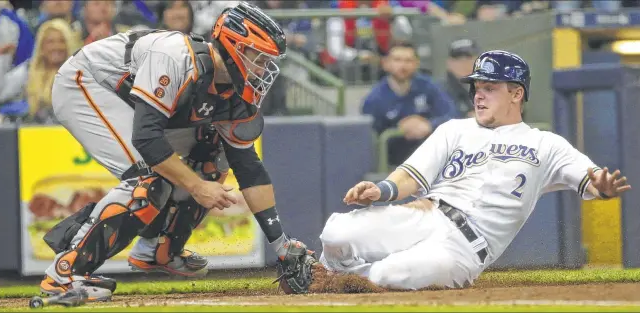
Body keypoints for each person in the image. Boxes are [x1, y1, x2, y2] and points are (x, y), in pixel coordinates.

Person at [39, 2, 315, 300]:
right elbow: (147, 139)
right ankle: (64, 275)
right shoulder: (175, 57)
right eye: (259, 57)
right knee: (146, 178)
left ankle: (160, 249)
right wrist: (196, 186)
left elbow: (248, 167)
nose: (263, 68)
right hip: (87, 81)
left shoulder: (235, 91)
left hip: (136, 105)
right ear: (235, 46)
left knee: (214, 155)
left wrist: (281, 245)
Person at [309, 50, 632, 291]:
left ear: (516, 93)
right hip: (426, 214)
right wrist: (381, 190)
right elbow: (411, 175)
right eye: (477, 87)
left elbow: (591, 180)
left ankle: (337, 283)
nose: (478, 94)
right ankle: (323, 272)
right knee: (337, 233)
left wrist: (602, 187)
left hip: (465, 247)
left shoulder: (546, 144)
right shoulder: (456, 130)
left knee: (392, 274)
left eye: (490, 87)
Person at [362, 42, 459, 167]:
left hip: (433, 160)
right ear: (385, 64)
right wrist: (399, 129)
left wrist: (428, 125)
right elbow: (370, 139)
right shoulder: (374, 99)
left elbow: (452, 114)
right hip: (393, 165)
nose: (403, 66)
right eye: (397, 60)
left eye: (408, 60)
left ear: (416, 64)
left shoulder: (429, 86)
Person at [441, 38, 480, 118]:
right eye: (459, 60)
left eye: (469, 58)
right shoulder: (440, 90)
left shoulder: (491, 85)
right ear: (449, 63)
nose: (465, 64)